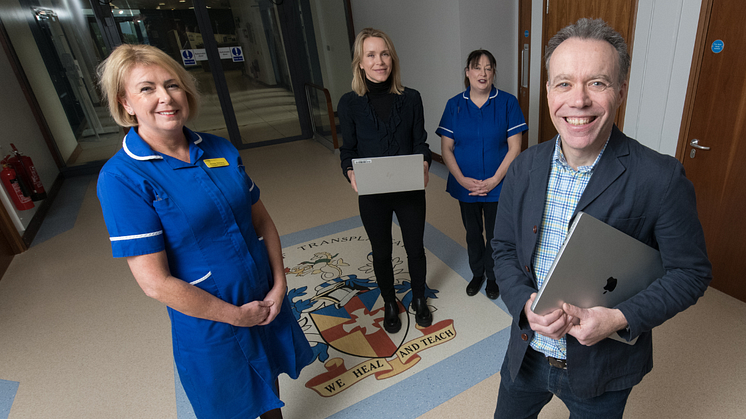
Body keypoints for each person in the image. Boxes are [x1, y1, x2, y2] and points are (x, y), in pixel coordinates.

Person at [492, 18, 712, 418]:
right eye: (563, 83)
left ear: (621, 91)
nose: (578, 100)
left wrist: (617, 318)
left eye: (597, 82)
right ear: (548, 91)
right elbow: (504, 248)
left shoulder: (660, 178)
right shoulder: (524, 167)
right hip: (525, 353)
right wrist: (523, 303)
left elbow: (691, 273)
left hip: (603, 371)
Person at [96, 44, 312, 419]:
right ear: (125, 103)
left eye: (173, 85)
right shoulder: (123, 178)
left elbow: (262, 221)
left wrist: (279, 285)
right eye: (147, 89)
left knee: (269, 388)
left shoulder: (219, 148)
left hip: (261, 297)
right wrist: (234, 316)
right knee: (231, 403)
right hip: (211, 321)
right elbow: (154, 283)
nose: (166, 97)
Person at [338, 28, 433, 333]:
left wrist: (426, 165)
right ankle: (390, 302)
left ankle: (419, 298)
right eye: (371, 55)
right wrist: (350, 172)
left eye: (384, 53)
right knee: (381, 251)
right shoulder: (349, 103)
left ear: (392, 58)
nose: (379, 61)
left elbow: (420, 143)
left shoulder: (412, 98)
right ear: (360, 63)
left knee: (415, 247)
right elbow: (348, 150)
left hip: (409, 190)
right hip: (373, 192)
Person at [436, 49, 526, 300]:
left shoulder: (507, 103)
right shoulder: (454, 105)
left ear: (494, 73)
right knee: (473, 232)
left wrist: (495, 180)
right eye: (477, 67)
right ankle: (477, 273)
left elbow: (515, 147)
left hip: (498, 184)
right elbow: (446, 148)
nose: (483, 73)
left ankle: (494, 276)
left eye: (488, 68)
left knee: (496, 234)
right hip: (466, 184)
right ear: (468, 72)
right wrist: (462, 180)